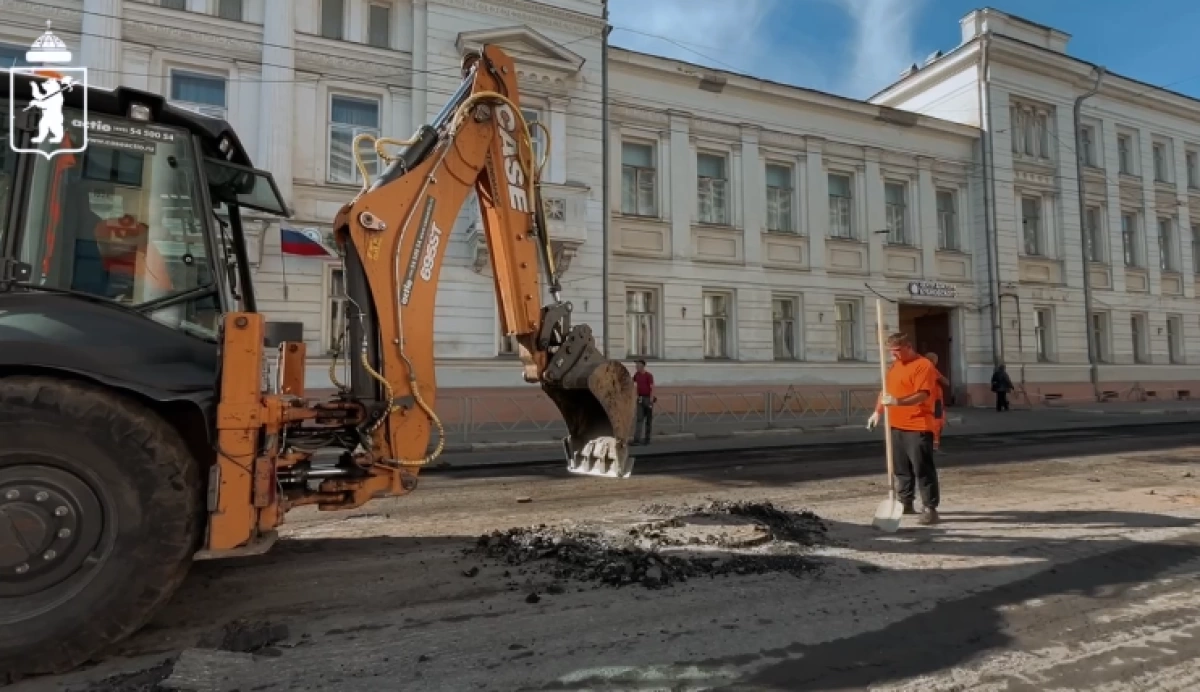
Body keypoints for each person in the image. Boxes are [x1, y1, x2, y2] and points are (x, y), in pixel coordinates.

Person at [867, 333, 941, 525]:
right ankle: (906, 502)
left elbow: (923, 395)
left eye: (898, 351)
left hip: (918, 425)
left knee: (922, 469)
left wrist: (897, 402)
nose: (894, 355)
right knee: (901, 469)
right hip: (895, 424)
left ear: (908, 346)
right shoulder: (895, 366)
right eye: (891, 352)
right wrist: (877, 412)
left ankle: (930, 509)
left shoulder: (923, 365)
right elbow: (886, 391)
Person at [924, 352, 950, 451]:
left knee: (930, 422)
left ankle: (930, 444)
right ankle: (935, 445)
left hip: (927, 400)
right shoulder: (931, 368)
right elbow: (946, 382)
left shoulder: (922, 369)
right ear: (934, 360)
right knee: (937, 423)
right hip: (935, 401)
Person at [631, 359, 655, 445]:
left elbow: (652, 387)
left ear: (642, 366)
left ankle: (647, 439)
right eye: (636, 365)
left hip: (648, 398)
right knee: (639, 419)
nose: (636, 366)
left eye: (638, 365)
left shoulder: (648, 375)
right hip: (640, 398)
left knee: (648, 420)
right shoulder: (636, 375)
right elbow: (631, 381)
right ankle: (637, 439)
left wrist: (651, 399)